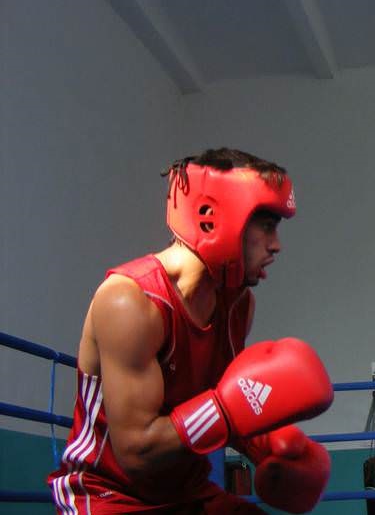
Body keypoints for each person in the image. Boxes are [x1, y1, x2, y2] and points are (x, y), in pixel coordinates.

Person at [47, 148, 334, 514]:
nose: (276, 244)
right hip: (108, 496)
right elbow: (138, 451)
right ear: (213, 217)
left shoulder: (237, 304)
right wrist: (227, 410)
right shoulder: (129, 302)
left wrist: (265, 443)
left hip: (188, 491)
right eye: (265, 224)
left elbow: (223, 400)